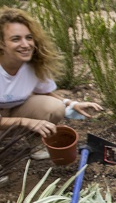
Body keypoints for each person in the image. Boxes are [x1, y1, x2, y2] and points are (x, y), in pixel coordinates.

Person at [0, 8, 102, 158]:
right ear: (1, 43)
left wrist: (72, 104)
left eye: (29, 37)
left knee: (54, 107)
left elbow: (45, 93)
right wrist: (28, 122)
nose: (26, 44)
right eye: (16, 39)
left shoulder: (33, 65)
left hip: (11, 113)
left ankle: (34, 145)